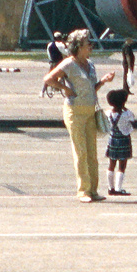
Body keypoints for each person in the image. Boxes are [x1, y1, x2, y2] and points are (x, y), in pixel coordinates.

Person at [42, 28, 115, 203]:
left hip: (90, 110)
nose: (90, 46)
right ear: (77, 46)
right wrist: (66, 89)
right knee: (80, 151)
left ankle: (93, 190)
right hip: (74, 112)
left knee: (92, 153)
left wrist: (103, 82)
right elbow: (48, 79)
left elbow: (91, 88)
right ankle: (83, 191)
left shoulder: (90, 64)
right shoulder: (69, 64)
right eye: (87, 43)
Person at [103, 87, 133, 195]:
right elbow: (132, 119)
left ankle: (110, 187)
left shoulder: (108, 113)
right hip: (124, 139)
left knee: (111, 164)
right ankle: (118, 188)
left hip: (112, 140)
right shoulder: (126, 114)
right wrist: (125, 108)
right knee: (122, 165)